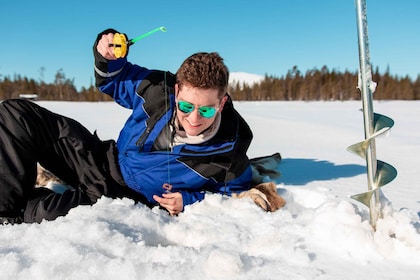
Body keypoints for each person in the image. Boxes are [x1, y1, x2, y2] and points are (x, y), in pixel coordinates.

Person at [0, 28, 284, 225]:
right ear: (175, 93)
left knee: (50, 215)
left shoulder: (230, 154)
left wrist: (189, 200)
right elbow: (114, 78)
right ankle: (6, 205)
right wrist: (108, 52)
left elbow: (231, 197)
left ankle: (13, 213)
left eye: (207, 109)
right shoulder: (157, 90)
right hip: (99, 158)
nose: (195, 118)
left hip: (119, 197)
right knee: (15, 113)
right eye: (186, 106)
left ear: (221, 104)